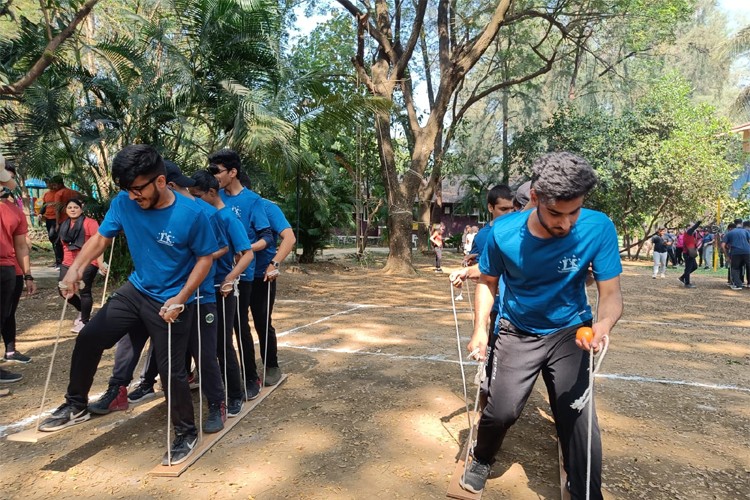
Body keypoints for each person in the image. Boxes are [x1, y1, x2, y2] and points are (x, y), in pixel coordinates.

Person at [38, 145, 218, 467]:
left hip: (173, 300)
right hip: (137, 289)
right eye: (127, 190)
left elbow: (205, 258)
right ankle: (75, 404)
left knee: (171, 371)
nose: (133, 196)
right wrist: (77, 267)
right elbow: (101, 238)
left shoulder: (192, 214)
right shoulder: (124, 202)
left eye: (138, 189)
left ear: (161, 181)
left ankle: (186, 432)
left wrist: (181, 297)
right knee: (90, 336)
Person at [459, 152, 623, 498]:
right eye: (556, 213)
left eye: (574, 211)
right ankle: (482, 457)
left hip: (571, 333)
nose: (566, 223)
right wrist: (480, 330)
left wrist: (604, 325)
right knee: (501, 411)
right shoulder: (503, 233)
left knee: (578, 418)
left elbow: (610, 294)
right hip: (518, 331)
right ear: (534, 198)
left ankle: (584, 492)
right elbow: (488, 282)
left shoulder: (598, 227)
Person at [208, 149, 274, 400]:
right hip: (215, 275)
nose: (213, 176)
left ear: (232, 172)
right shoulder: (213, 197)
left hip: (241, 275)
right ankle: (227, 379)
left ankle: (250, 377)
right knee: (219, 331)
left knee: (239, 325)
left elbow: (267, 237)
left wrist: (244, 249)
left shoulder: (252, 201)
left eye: (217, 171)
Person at [189, 170, 256, 415]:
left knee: (222, 344)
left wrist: (229, 278)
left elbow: (246, 253)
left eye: (197, 196)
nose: (194, 200)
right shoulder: (202, 215)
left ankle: (235, 394)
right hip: (203, 289)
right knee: (207, 345)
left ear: (210, 193)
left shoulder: (227, 217)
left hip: (222, 290)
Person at [249, 196, 296, 387]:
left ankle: (271, 365)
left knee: (262, 321)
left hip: (262, 275)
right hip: (234, 276)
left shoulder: (266, 207)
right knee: (232, 325)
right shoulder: (221, 202)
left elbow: (289, 237)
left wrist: (274, 263)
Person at [0, 154, 36, 382]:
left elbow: (21, 246)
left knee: (3, 316)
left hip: (6, 269)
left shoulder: (14, 211)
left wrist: (28, 274)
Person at [57, 198, 105, 333]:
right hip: (68, 263)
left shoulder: (90, 223)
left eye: (75, 207)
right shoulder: (64, 225)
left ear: (81, 209)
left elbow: (99, 244)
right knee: (63, 290)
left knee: (84, 290)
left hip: (88, 262)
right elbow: (64, 246)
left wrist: (100, 263)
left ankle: (84, 321)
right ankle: (81, 310)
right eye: (70, 207)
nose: (72, 210)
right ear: (66, 210)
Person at [40, 177, 62, 267]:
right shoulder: (46, 194)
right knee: (52, 239)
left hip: (57, 219)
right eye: (46, 183)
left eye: (49, 183)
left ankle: (60, 261)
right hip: (48, 219)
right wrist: (40, 213)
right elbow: (44, 205)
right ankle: (57, 260)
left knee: (57, 239)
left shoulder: (59, 193)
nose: (48, 185)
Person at [721, 222, 750, 291]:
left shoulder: (729, 233)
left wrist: (727, 256)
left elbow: (722, 245)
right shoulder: (745, 231)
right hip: (747, 252)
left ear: (730, 228)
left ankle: (738, 285)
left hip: (736, 252)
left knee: (735, 268)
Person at [678, 221, 701, 289]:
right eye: (691, 226)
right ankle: (687, 283)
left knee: (694, 267)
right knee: (688, 268)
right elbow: (694, 227)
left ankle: (682, 277)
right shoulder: (688, 233)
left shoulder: (690, 235)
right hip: (688, 254)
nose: (693, 228)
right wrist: (700, 221)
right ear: (688, 227)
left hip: (690, 253)